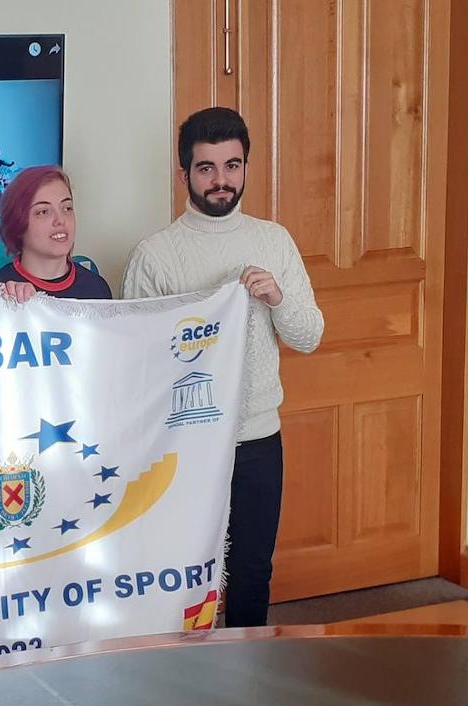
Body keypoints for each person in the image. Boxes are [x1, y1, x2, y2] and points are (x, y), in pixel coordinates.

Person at [121, 106, 323, 628]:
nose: (221, 181)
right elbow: (136, 362)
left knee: (252, 569)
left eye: (232, 166)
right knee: (183, 572)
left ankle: (247, 679)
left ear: (246, 167)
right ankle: (186, 680)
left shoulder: (273, 242)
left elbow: (309, 336)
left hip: (257, 436)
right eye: (206, 168)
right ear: (185, 172)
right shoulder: (156, 255)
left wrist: (277, 297)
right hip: (185, 443)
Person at [0, 165, 112, 299]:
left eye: (67, 208)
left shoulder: (98, 289)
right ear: (17, 224)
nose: (60, 220)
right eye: (43, 211)